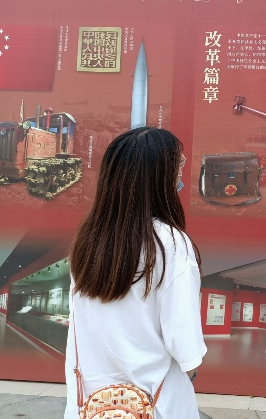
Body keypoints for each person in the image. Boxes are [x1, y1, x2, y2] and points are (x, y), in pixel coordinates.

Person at [64, 127, 206, 419]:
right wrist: (192, 369)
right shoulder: (170, 245)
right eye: (178, 165)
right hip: (155, 408)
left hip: (88, 407)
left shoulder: (87, 241)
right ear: (159, 177)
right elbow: (186, 349)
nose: (181, 174)